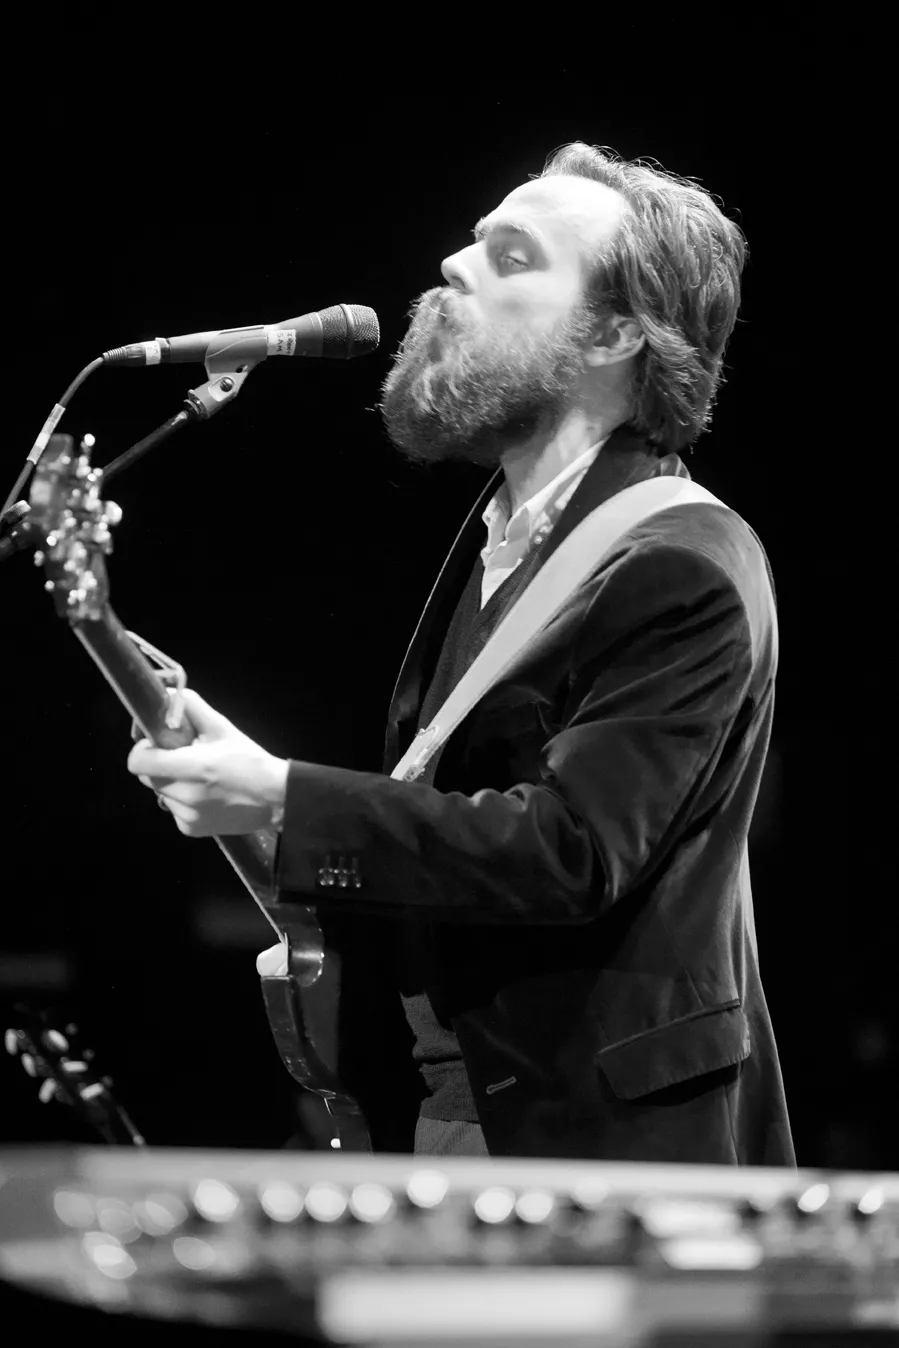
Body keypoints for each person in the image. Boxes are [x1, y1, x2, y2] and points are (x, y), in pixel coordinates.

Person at [128, 142, 795, 1165]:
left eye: (511, 255)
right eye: (473, 240)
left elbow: (571, 852)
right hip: (462, 1110)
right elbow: (453, 848)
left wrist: (283, 796)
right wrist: (258, 795)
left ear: (615, 331)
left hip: (602, 1144)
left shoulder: (684, 561)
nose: (452, 264)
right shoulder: (501, 540)